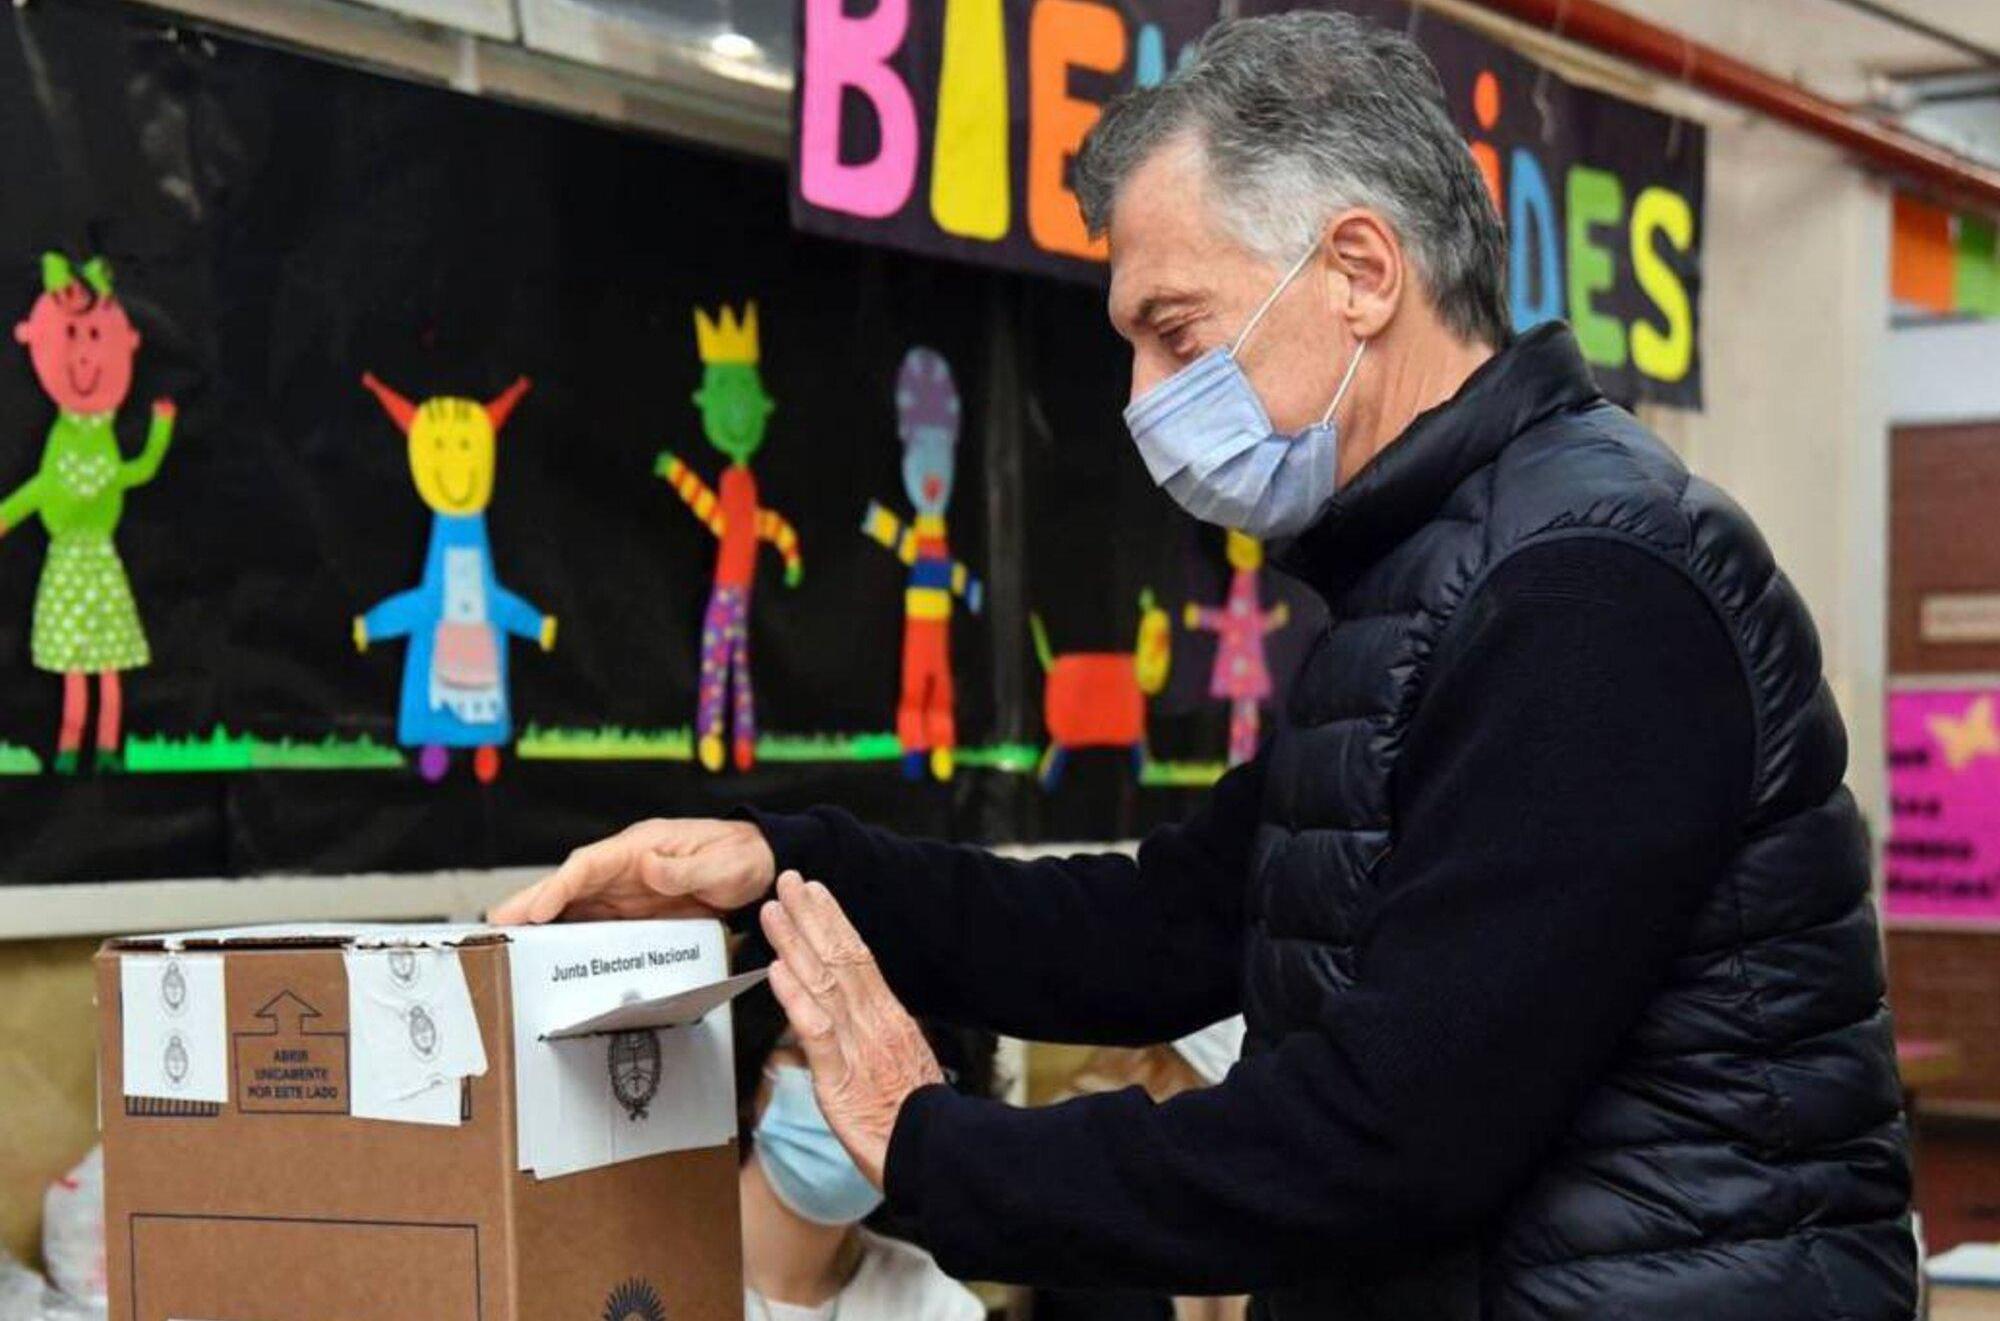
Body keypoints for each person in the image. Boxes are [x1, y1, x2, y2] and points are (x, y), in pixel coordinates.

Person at [493, 12, 1914, 1318]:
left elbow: (1387, 1131)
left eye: (1176, 333)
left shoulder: (1591, 586)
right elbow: (1157, 927)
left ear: (1359, 271)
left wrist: (940, 1148)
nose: (1143, 403)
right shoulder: (1426, 583)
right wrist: (780, 865)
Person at [731, 975, 990, 1321]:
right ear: (755, 1066)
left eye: (892, 1074)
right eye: (826, 1057)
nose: (858, 1097)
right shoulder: (655, 1265)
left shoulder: (935, 1306)